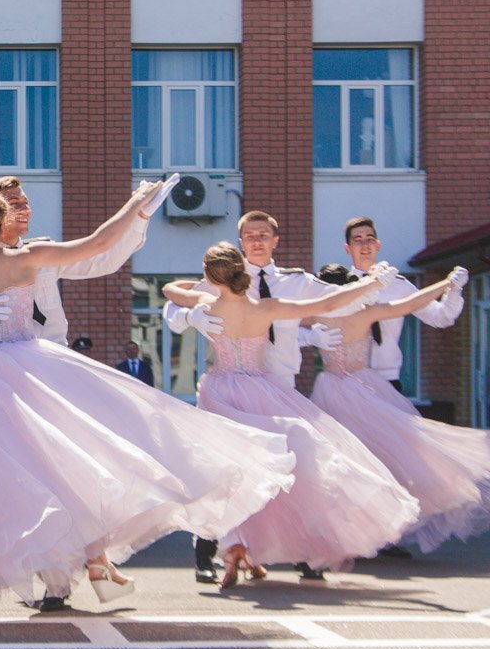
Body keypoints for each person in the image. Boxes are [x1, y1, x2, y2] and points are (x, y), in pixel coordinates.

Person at [0, 184, 297, 625]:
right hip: (37, 368)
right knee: (67, 463)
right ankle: (85, 565)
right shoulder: (27, 259)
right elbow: (96, 242)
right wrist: (133, 204)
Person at [164, 244, 420, 587]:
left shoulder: (206, 304)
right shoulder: (267, 307)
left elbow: (169, 290)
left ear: (209, 276)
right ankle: (244, 549)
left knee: (225, 472)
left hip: (220, 391)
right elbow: (326, 304)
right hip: (261, 389)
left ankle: (234, 548)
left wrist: (195, 304)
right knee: (284, 467)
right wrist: (371, 284)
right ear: (242, 272)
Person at [164, 210, 352, 581]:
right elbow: (172, 302)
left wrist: (366, 287)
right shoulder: (225, 279)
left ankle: (303, 553)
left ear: (275, 239)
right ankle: (207, 553)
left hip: (280, 385)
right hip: (235, 388)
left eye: (263, 234)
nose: (257, 241)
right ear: (241, 243)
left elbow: (336, 302)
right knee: (226, 468)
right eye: (250, 236)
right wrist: (190, 319)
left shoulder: (296, 282)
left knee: (298, 469)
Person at [308, 263, 489, 554]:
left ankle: (370, 533)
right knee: (354, 463)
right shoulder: (343, 314)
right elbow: (407, 305)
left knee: (361, 463)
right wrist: (445, 284)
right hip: (353, 388)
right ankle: (353, 534)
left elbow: (409, 304)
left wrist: (446, 285)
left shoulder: (325, 313)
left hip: (345, 389)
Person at [0, 175, 153, 348]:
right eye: (15, 205)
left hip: (52, 359)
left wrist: (141, 216)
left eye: (26, 204)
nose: (25, 210)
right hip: (0, 369)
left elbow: (103, 261)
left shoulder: (40, 253)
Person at [343, 217, 466, 393]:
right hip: (348, 379)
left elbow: (441, 317)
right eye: (358, 240)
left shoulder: (398, 285)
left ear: (378, 245)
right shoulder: (340, 286)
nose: (365, 245)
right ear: (347, 248)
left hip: (388, 379)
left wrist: (454, 289)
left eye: (370, 239)